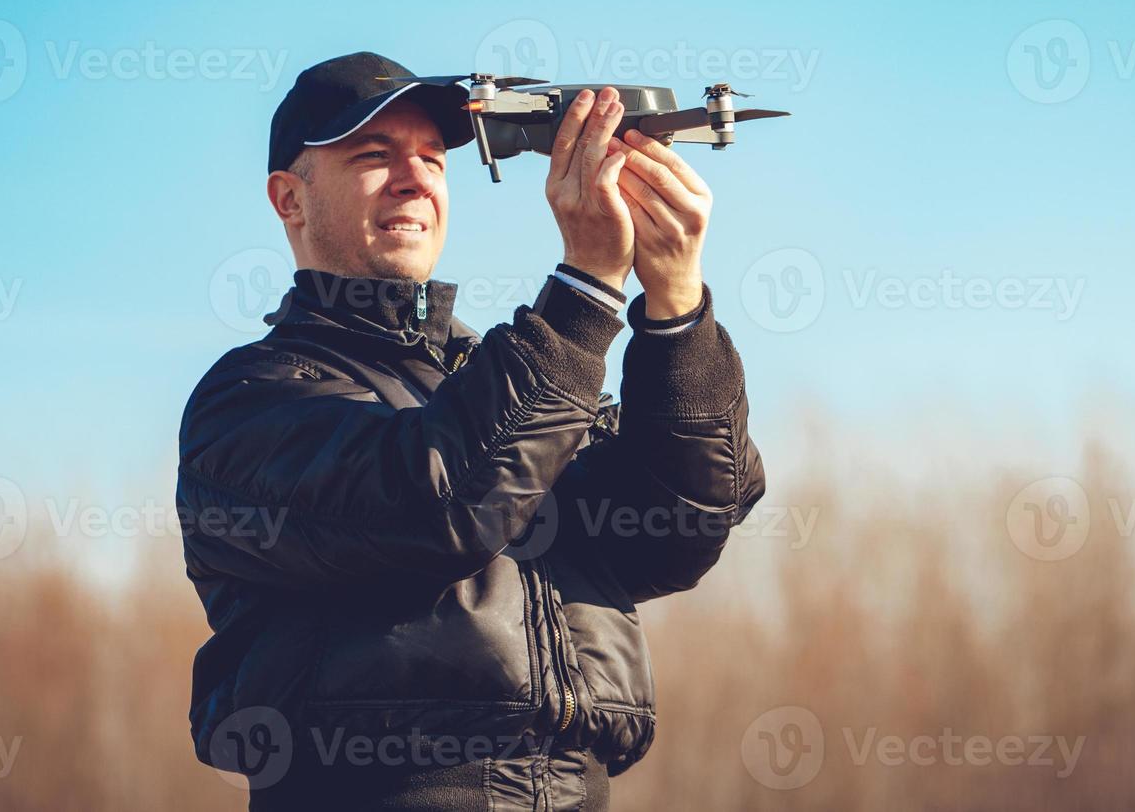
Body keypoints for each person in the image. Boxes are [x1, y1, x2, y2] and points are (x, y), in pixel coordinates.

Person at [176, 51, 767, 810]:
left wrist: (676, 306)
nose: (415, 177)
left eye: (432, 158)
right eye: (373, 155)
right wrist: (585, 288)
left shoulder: (509, 381)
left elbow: (683, 524)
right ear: (288, 199)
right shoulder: (250, 400)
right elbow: (441, 504)